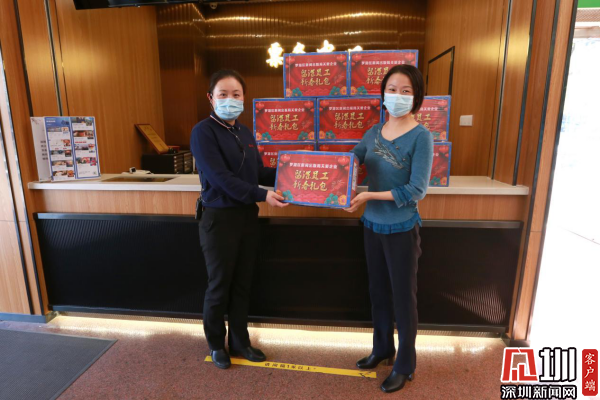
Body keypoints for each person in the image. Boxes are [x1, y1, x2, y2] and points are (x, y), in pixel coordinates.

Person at [190, 69, 288, 370]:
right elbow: (220, 179)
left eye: (236, 94)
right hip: (219, 219)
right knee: (220, 285)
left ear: (244, 98)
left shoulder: (244, 132)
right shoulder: (203, 132)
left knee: (243, 283)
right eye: (223, 94)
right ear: (211, 98)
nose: (230, 100)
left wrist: (294, 171)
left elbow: (257, 172)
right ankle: (216, 345)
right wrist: (262, 195)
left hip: (246, 217)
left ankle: (240, 342)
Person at [345, 65, 433, 393]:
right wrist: (336, 178)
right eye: (392, 89)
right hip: (372, 225)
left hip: (402, 229)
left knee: (403, 298)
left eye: (406, 91)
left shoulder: (421, 137)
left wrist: (368, 194)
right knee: (378, 292)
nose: (397, 96)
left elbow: (416, 190)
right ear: (383, 94)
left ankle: (405, 365)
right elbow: (351, 161)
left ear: (417, 96)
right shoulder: (373, 132)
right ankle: (382, 348)